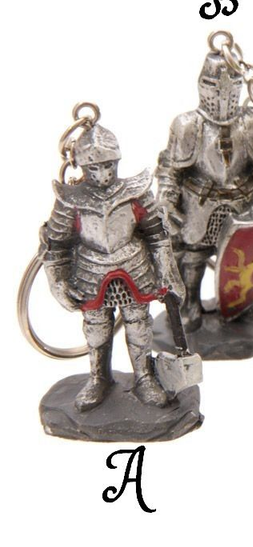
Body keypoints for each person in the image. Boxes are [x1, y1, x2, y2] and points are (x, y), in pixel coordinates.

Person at [41, 125, 184, 411]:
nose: (103, 174)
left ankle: (144, 378)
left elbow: (157, 236)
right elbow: (55, 244)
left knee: (139, 324)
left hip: (134, 265)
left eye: (108, 165)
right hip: (89, 270)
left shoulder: (136, 193)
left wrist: (168, 275)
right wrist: (58, 282)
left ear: (117, 162)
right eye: (94, 167)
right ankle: (98, 378)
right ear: (82, 167)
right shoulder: (71, 200)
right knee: (96, 329)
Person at [156, 48, 253, 331]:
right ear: (202, 85)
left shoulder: (250, 122)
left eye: (231, 86)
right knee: (193, 256)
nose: (222, 94)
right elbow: (171, 170)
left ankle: (245, 301)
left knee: (250, 256)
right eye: (213, 85)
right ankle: (190, 304)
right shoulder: (188, 125)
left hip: (245, 206)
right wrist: (166, 201)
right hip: (199, 205)